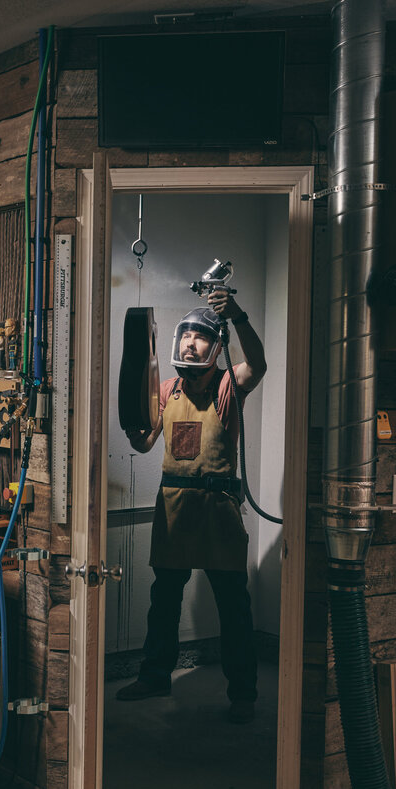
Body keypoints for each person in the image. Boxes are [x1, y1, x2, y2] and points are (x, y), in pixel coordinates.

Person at [115, 287, 266, 724]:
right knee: (163, 600)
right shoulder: (168, 389)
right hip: (174, 508)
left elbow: (256, 364)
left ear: (216, 346)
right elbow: (144, 443)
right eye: (185, 335)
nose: (189, 342)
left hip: (218, 508)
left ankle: (243, 694)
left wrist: (236, 315)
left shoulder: (227, 386)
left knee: (234, 607)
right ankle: (155, 675)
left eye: (199, 336)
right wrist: (131, 421)